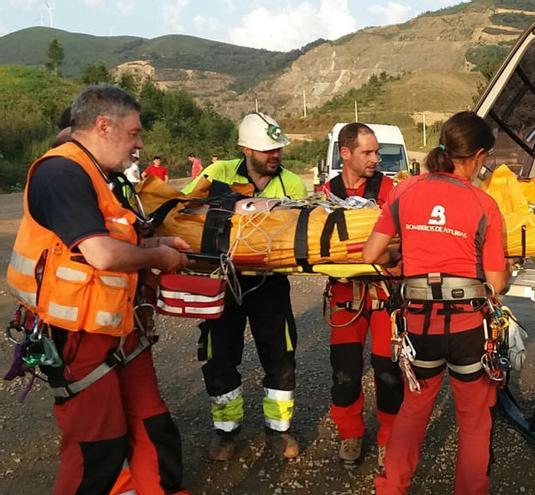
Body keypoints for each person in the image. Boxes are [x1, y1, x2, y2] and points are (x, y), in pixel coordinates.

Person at [6, 84, 192, 494]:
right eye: (134, 133)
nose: (140, 144)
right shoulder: (61, 172)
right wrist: (158, 259)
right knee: (98, 449)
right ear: (103, 126)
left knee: (153, 426)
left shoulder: (96, 173)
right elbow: (101, 254)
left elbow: (108, 238)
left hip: (118, 328)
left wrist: (153, 244)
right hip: (78, 337)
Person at [364, 111, 510, 495]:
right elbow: (495, 284)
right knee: (474, 420)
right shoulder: (484, 204)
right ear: (478, 155)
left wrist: (400, 260)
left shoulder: (405, 189)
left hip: (419, 325)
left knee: (413, 411)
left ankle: (391, 488)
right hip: (466, 328)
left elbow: (371, 253)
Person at [181, 112, 308, 461]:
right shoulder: (217, 174)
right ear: (244, 149)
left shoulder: (293, 184)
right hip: (222, 283)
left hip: (270, 284)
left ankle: (279, 431)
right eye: (267, 149)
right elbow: (185, 214)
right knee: (218, 356)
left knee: (280, 356)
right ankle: (226, 432)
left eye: (278, 148)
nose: (275, 155)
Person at [316, 123, 402, 468]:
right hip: (345, 295)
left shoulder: (390, 189)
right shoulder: (326, 193)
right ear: (345, 153)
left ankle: (389, 438)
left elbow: (402, 238)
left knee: (388, 369)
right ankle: (350, 432)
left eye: (377, 152)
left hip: (384, 295)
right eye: (367, 152)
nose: (375, 159)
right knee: (345, 370)